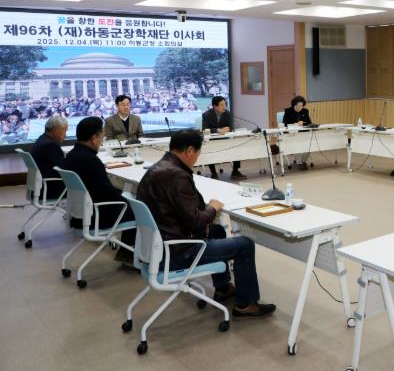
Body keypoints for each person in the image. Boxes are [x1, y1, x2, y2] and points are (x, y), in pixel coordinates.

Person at [136, 129, 276, 318]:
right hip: (178, 252)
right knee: (245, 245)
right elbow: (195, 221)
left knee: (217, 231)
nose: (197, 158)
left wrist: (204, 211)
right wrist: (212, 208)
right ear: (189, 151)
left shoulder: (158, 168)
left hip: (160, 245)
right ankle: (246, 305)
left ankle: (223, 287)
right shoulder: (177, 175)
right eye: (198, 153)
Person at [65, 117, 136, 265]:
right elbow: (108, 194)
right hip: (98, 215)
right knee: (143, 209)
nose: (102, 141)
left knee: (130, 201)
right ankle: (131, 254)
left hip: (80, 214)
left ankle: (128, 253)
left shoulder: (71, 156)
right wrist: (129, 201)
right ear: (94, 138)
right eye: (102, 137)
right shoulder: (91, 161)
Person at [201, 96, 246, 180]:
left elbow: (231, 127)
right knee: (208, 149)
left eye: (225, 104)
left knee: (236, 146)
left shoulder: (227, 113)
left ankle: (235, 171)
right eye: (222, 105)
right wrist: (217, 130)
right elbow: (205, 129)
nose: (224, 107)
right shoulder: (206, 115)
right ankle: (213, 173)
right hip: (212, 141)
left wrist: (227, 129)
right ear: (215, 106)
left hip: (225, 139)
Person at [29, 116, 68, 201]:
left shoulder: (42, 140)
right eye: (65, 131)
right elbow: (64, 170)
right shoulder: (51, 145)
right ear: (56, 130)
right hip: (50, 190)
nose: (65, 135)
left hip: (40, 187)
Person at [282, 95, 312, 170]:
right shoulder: (288, 111)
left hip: (303, 133)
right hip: (292, 134)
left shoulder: (305, 111)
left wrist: (303, 123)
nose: (300, 107)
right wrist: (295, 124)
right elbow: (285, 124)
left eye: (302, 106)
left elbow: (309, 123)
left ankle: (303, 161)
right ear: (294, 105)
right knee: (298, 145)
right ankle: (300, 162)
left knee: (308, 145)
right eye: (299, 106)